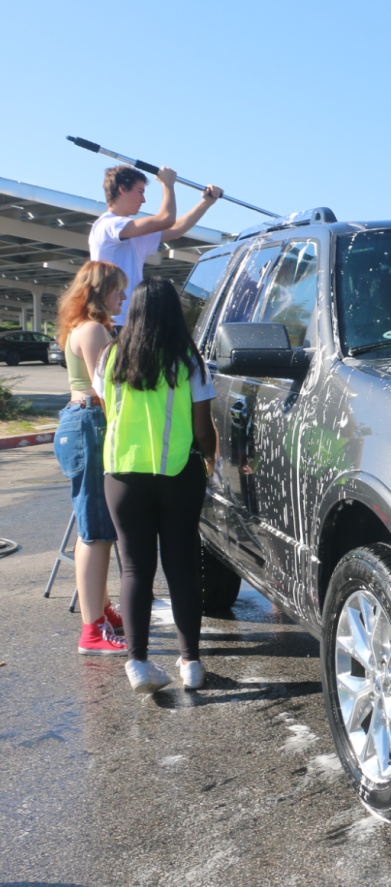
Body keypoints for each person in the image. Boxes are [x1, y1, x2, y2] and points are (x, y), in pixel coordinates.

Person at [93, 278, 218, 693]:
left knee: (134, 567)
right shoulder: (188, 361)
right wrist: (211, 457)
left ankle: (139, 664)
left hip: (123, 475)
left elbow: (109, 410)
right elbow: (203, 428)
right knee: (181, 565)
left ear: (135, 312)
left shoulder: (110, 358)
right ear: (173, 313)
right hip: (178, 472)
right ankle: (191, 663)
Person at [53, 262, 130, 655]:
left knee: (94, 526)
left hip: (76, 423)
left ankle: (102, 611)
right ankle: (93, 632)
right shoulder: (96, 329)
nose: (123, 297)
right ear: (101, 291)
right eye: (118, 290)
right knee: (97, 531)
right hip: (90, 423)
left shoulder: (79, 326)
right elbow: (107, 388)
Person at [88, 164, 224, 327]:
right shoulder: (108, 225)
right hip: (114, 322)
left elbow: (174, 230)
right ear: (122, 188)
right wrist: (167, 184)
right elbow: (166, 219)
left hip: (130, 321)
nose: (143, 200)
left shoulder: (130, 232)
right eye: (140, 192)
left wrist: (206, 202)